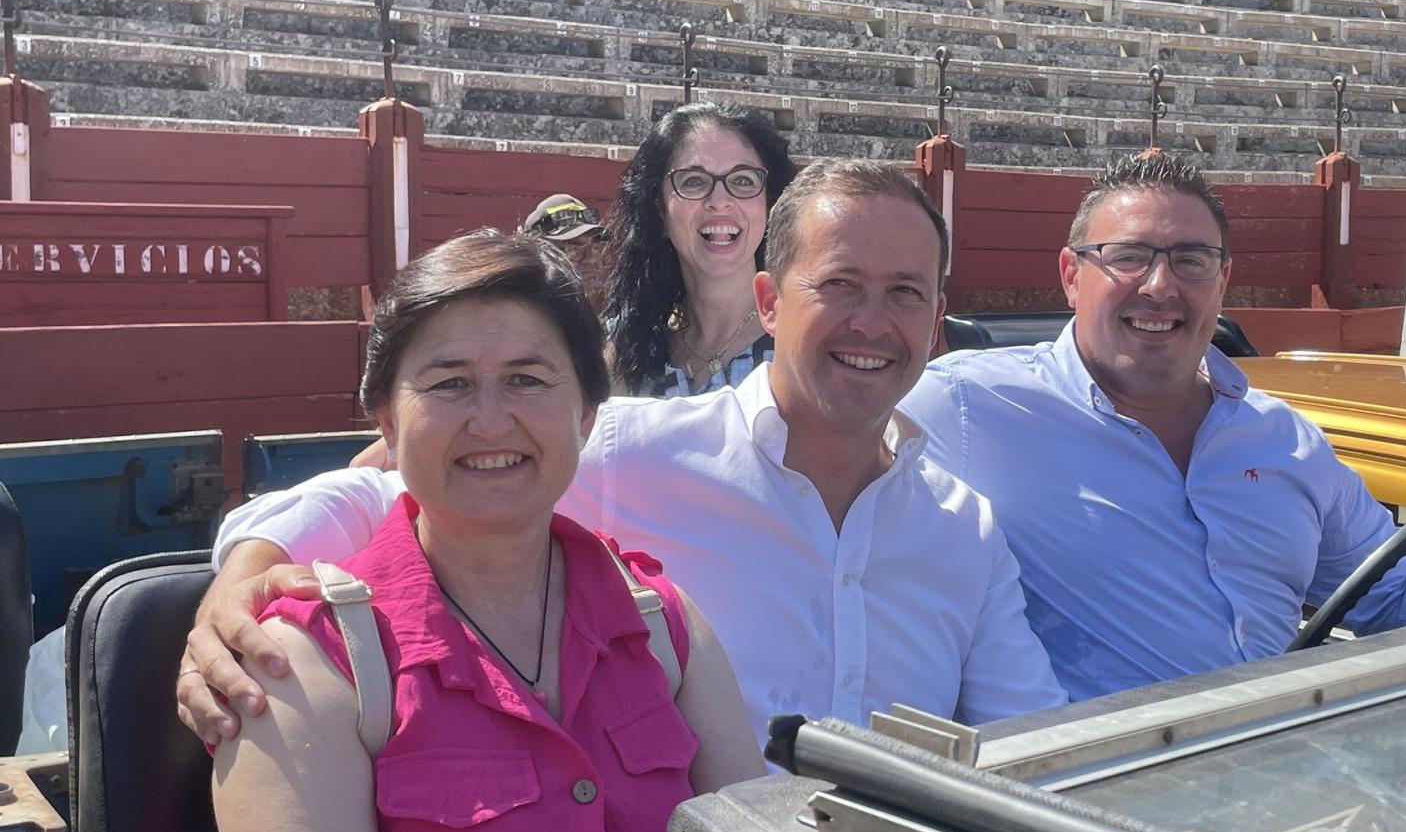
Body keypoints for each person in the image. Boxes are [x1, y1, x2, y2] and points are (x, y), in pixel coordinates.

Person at [179, 160, 1066, 752]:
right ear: (767, 300)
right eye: (838, 285)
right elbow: (397, 484)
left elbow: (1030, 745)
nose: (872, 322)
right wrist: (249, 570)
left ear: (937, 321)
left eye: (904, 293)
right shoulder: (635, 452)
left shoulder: (962, 523)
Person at [898, 151, 1406, 702]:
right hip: (1082, 807)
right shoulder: (963, 405)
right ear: (1071, 276)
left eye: (1190, 260)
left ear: (1223, 282)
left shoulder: (1286, 440)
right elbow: (808, 431)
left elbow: (1397, 597)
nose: (1161, 286)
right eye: (1129, 256)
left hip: (1272, 792)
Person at [208, 230, 761, 832]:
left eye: (527, 379)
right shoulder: (303, 669)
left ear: (586, 414)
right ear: (386, 421)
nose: (491, 421)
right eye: (450, 384)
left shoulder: (663, 625)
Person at [604, 102, 797, 397]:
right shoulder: (626, 351)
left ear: (769, 205)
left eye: (743, 180)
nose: (719, 201)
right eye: (693, 182)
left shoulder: (805, 342)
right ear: (659, 211)